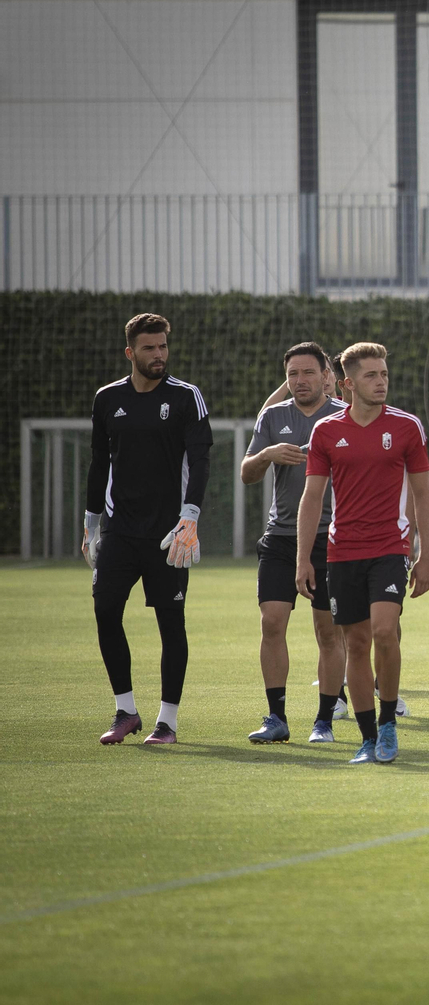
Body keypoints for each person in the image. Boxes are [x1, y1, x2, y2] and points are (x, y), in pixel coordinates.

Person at [298, 342, 429, 765]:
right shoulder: (325, 432)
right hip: (342, 552)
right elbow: (312, 496)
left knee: (383, 631)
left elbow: (423, 494)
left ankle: (389, 721)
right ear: (348, 384)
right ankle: (368, 737)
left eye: (384, 374)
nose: (381, 382)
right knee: (355, 643)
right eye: (371, 375)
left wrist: (425, 555)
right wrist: (303, 558)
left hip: (390, 548)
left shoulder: (407, 427)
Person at [83, 313, 212, 746]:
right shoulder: (107, 398)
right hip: (119, 531)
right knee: (105, 611)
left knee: (170, 623)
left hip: (170, 533)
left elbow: (201, 460)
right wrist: (91, 526)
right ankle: (125, 711)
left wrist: (190, 517)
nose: (159, 355)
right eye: (149, 348)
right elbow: (99, 463)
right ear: (130, 352)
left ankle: (167, 723)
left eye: (163, 347)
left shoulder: (186, 396)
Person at [240, 341, 347, 744]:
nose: (300, 380)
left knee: (328, 632)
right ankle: (276, 717)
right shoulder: (273, 416)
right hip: (281, 536)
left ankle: (324, 721)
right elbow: (247, 473)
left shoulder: (344, 416)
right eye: (292, 374)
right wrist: (267, 454)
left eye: (308, 373)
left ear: (326, 376)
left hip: (331, 538)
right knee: (271, 623)